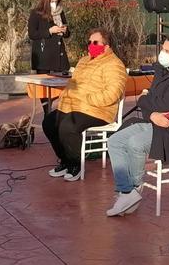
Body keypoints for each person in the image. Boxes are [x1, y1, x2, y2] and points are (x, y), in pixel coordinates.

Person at [104, 35, 169, 216]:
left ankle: (135, 188)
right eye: (162, 48)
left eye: (166, 50)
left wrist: (147, 100)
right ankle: (127, 191)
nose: (161, 53)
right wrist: (151, 109)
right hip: (155, 121)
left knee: (135, 143)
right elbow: (150, 102)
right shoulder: (163, 70)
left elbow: (162, 103)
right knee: (115, 140)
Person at [43, 28, 127, 180]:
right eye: (89, 42)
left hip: (98, 110)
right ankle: (65, 160)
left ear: (106, 46)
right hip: (74, 106)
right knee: (49, 122)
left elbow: (112, 94)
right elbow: (74, 85)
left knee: (68, 126)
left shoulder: (115, 65)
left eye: (95, 42)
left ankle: (75, 165)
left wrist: (86, 99)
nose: (91, 45)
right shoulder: (83, 61)